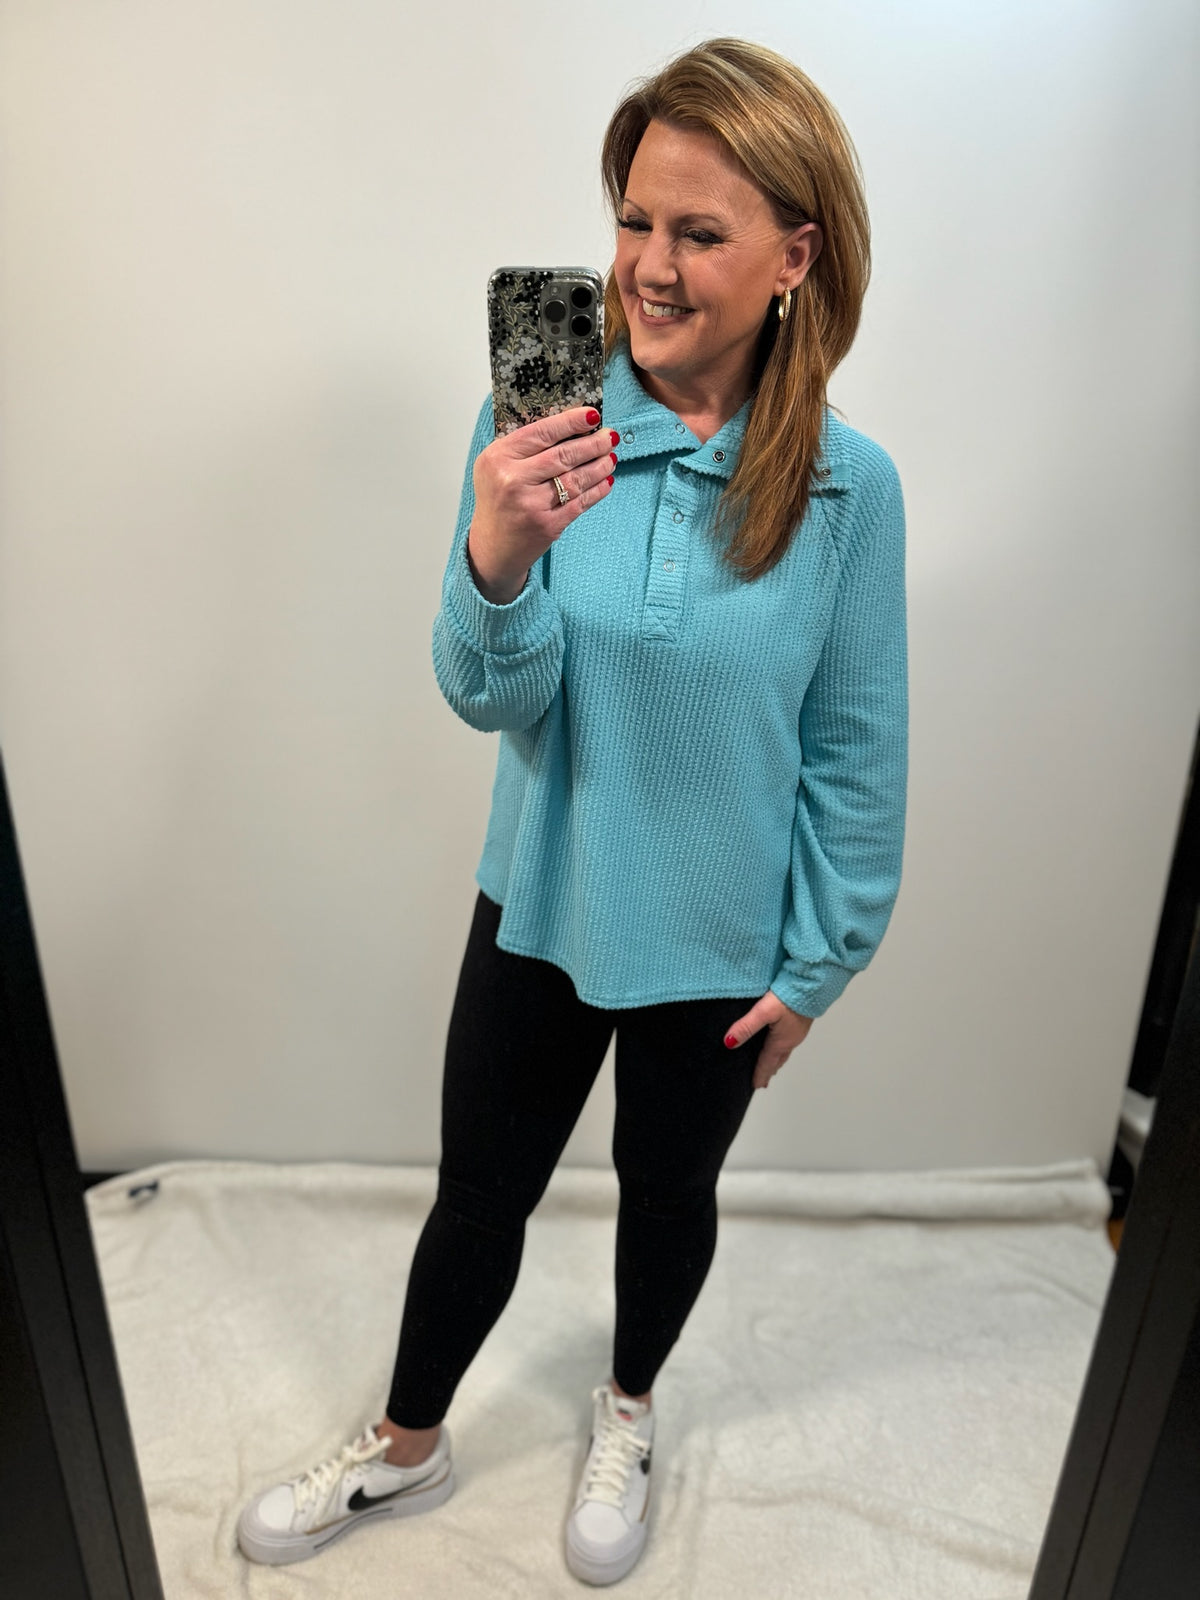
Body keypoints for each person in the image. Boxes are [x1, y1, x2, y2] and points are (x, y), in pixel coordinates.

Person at [237, 35, 907, 1587]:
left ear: (796, 257)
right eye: (632, 219)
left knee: (671, 1196)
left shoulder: (846, 490)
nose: (647, 267)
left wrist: (822, 963)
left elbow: (856, 750)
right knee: (479, 1196)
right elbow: (496, 698)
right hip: (541, 901)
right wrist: (499, 554)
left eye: (699, 231)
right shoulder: (539, 416)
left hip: (721, 943)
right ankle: (408, 1442)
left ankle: (630, 1409)